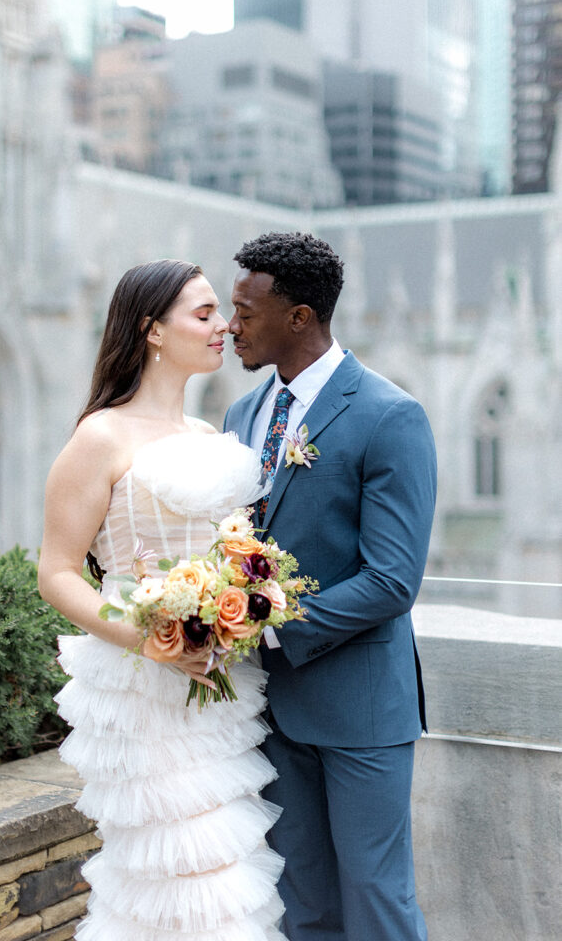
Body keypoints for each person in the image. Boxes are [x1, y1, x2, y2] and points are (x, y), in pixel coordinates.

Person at [38, 259, 287, 941]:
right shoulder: (100, 437)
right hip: (140, 685)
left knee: (225, 868)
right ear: (151, 330)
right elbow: (57, 573)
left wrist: (246, 599)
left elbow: (234, 556)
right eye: (203, 314)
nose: (224, 327)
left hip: (218, 681)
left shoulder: (209, 437)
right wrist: (149, 640)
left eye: (221, 314)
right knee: (169, 873)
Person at [224, 232, 437, 941]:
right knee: (301, 902)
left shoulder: (388, 414)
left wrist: (269, 623)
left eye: (246, 312)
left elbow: (390, 580)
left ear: (299, 318)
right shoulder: (240, 416)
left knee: (376, 900)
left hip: (360, 712)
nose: (232, 326)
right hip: (268, 709)